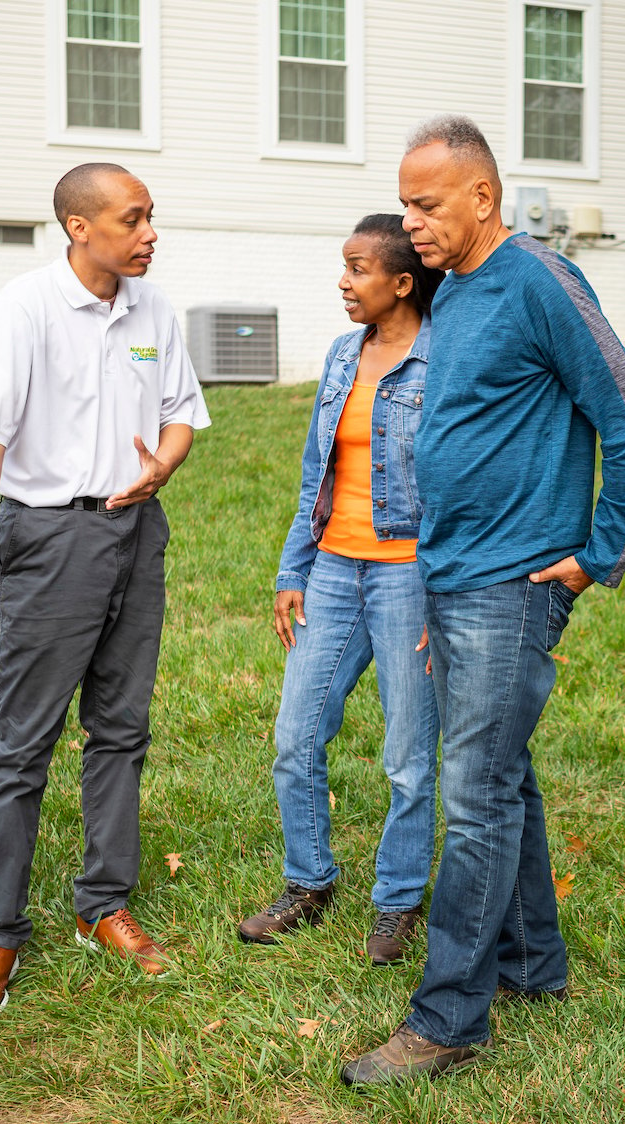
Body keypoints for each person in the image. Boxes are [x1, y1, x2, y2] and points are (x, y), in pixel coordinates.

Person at [341, 117, 625, 1085]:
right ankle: (533, 965)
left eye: (427, 204)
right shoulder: (456, 293)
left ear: (484, 197)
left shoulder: (540, 282)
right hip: (454, 574)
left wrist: (597, 555)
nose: (411, 223)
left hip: (513, 582)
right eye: (404, 203)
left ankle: (448, 1021)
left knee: (475, 797)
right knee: (504, 776)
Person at [0, 162, 210, 1026]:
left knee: (122, 730)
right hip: (50, 538)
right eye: (133, 219)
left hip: (137, 534)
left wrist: (163, 464)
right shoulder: (25, 309)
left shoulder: (152, 308)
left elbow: (180, 410)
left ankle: (102, 903)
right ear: (79, 227)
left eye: (152, 217)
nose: (150, 232)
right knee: (23, 744)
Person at [238, 214, 444, 965]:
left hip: (409, 575)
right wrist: (294, 569)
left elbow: (463, 479)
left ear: (401, 281)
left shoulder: (444, 357)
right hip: (333, 569)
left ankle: (397, 902)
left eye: (358, 268)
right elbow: (313, 473)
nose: (344, 281)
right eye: (343, 266)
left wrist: (444, 587)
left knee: (408, 756)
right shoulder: (340, 354)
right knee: (296, 735)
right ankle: (308, 882)